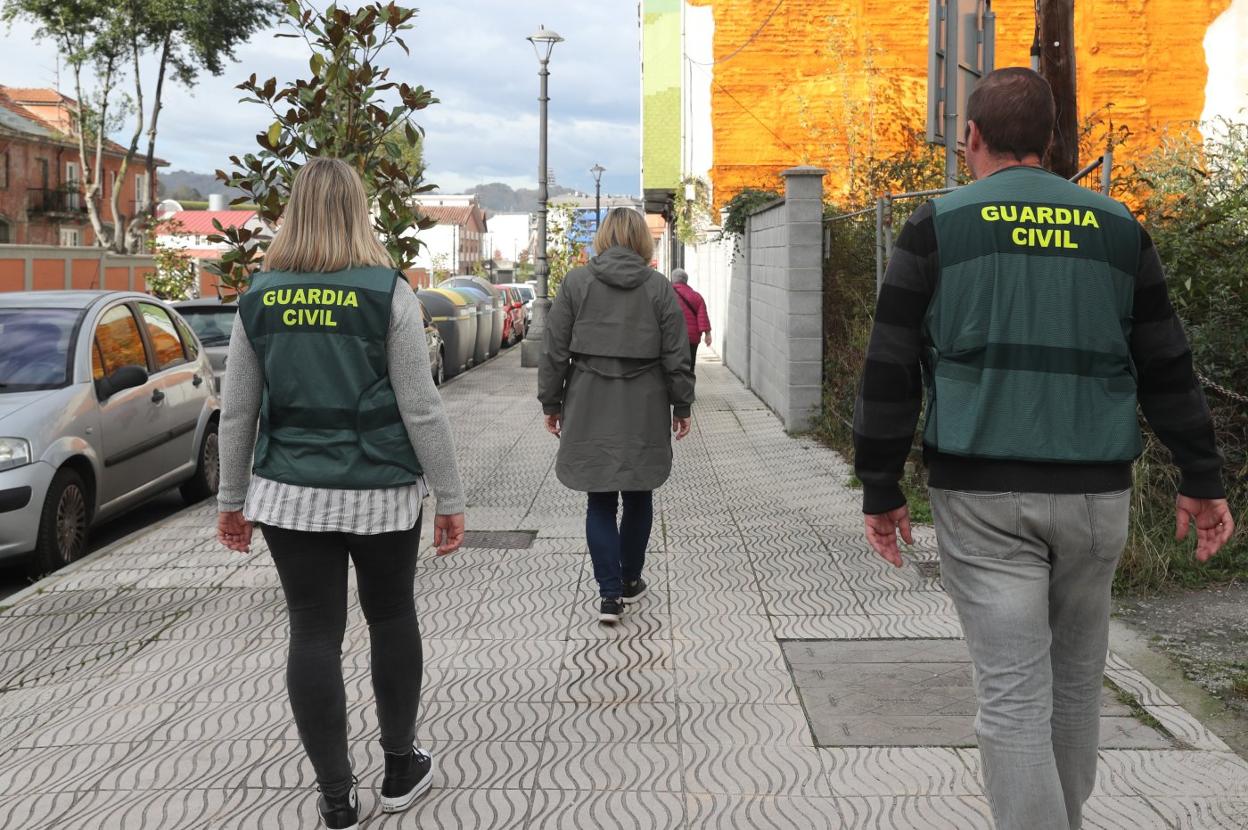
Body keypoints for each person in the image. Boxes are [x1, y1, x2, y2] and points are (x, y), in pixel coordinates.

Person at [853, 68, 1233, 830]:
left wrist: (880, 484)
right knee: (1074, 685)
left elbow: (890, 363)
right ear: (1054, 143)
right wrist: (1201, 476)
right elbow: (1166, 364)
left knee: (1011, 693)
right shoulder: (1119, 228)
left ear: (972, 139)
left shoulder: (937, 225)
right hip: (1097, 496)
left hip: (982, 493)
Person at [216, 157, 467, 830]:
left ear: (294, 211)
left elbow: (237, 410)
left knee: (313, 633)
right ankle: (398, 767)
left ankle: (335, 795)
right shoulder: (387, 293)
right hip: (381, 491)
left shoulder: (260, 295)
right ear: (359, 212)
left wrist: (230, 500)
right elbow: (422, 406)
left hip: (290, 496)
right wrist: (450, 495)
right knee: (390, 618)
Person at [539, 208, 695, 624]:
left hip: (590, 399)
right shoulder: (659, 288)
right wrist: (682, 404)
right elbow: (677, 353)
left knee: (600, 499)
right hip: (644, 401)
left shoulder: (576, 282)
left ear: (603, 237)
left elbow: (554, 349)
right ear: (642, 240)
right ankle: (629, 580)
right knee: (640, 492)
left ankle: (609, 596)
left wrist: (551, 402)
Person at [671, 268, 712, 373]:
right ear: (686, 280)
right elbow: (703, 316)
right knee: (690, 364)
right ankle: (689, 387)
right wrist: (707, 334)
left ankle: (676, 387)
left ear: (673, 279)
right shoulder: (696, 296)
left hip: (674, 336)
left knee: (674, 364)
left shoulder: (667, 294)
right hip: (692, 338)